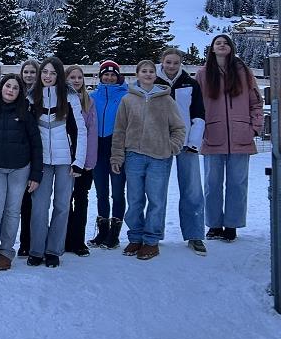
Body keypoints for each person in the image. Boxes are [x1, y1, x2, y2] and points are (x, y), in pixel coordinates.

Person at [111, 60, 186, 261]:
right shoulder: (127, 100)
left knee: (156, 200)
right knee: (135, 199)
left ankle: (151, 240)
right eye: (143, 71)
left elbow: (179, 128)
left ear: (156, 74)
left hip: (159, 158)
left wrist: (171, 146)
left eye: (151, 71)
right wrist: (117, 156)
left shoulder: (166, 100)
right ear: (137, 74)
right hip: (134, 156)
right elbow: (119, 130)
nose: (148, 74)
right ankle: (135, 237)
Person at [195, 35, 263, 242]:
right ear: (212, 49)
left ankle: (232, 225)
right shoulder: (203, 74)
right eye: (218, 43)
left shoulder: (244, 72)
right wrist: (200, 131)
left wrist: (254, 129)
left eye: (225, 43)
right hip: (212, 136)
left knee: (237, 184)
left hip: (241, 136)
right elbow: (195, 105)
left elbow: (256, 103)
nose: (222, 45)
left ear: (231, 48)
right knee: (212, 184)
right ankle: (214, 225)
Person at [0, 73, 42, 275]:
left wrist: (36, 174)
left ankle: (5, 252)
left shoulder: (25, 114)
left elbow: (36, 145)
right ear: (1, 87)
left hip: (20, 170)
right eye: (7, 86)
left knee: (12, 212)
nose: (10, 90)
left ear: (20, 92)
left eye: (15, 88)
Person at [28, 57, 87, 268]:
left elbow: (80, 130)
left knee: (62, 206)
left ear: (59, 75)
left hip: (65, 162)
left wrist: (78, 161)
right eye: (45, 72)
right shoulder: (31, 97)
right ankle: (36, 251)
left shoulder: (70, 97)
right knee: (39, 207)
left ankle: (53, 250)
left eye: (53, 73)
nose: (48, 76)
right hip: (41, 162)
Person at [156, 48, 207, 254]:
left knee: (192, 189)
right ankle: (153, 234)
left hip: (185, 144)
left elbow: (199, 114)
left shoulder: (190, 84)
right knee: (156, 190)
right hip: (159, 144)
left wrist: (194, 142)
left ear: (180, 64)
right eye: (168, 62)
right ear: (162, 61)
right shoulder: (153, 81)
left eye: (175, 63)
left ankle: (195, 234)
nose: (171, 66)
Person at [89, 59, 128, 249]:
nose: (109, 77)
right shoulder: (92, 96)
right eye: (106, 74)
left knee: (118, 191)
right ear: (100, 76)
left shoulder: (125, 96)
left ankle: (114, 233)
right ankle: (103, 231)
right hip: (98, 147)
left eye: (113, 75)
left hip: (117, 146)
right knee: (101, 192)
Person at [64, 65, 98, 256]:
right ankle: (64, 238)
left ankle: (78, 241)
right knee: (64, 201)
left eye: (79, 77)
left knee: (81, 199)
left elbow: (91, 133)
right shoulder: (61, 100)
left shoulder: (88, 102)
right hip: (65, 159)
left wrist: (87, 162)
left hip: (84, 161)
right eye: (72, 77)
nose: (76, 81)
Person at [17, 59, 40, 258]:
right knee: (23, 200)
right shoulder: (16, 93)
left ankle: (34, 239)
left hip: (39, 148)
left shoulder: (42, 94)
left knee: (37, 200)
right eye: (26, 72)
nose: (29, 75)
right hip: (21, 149)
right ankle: (24, 241)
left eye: (33, 72)